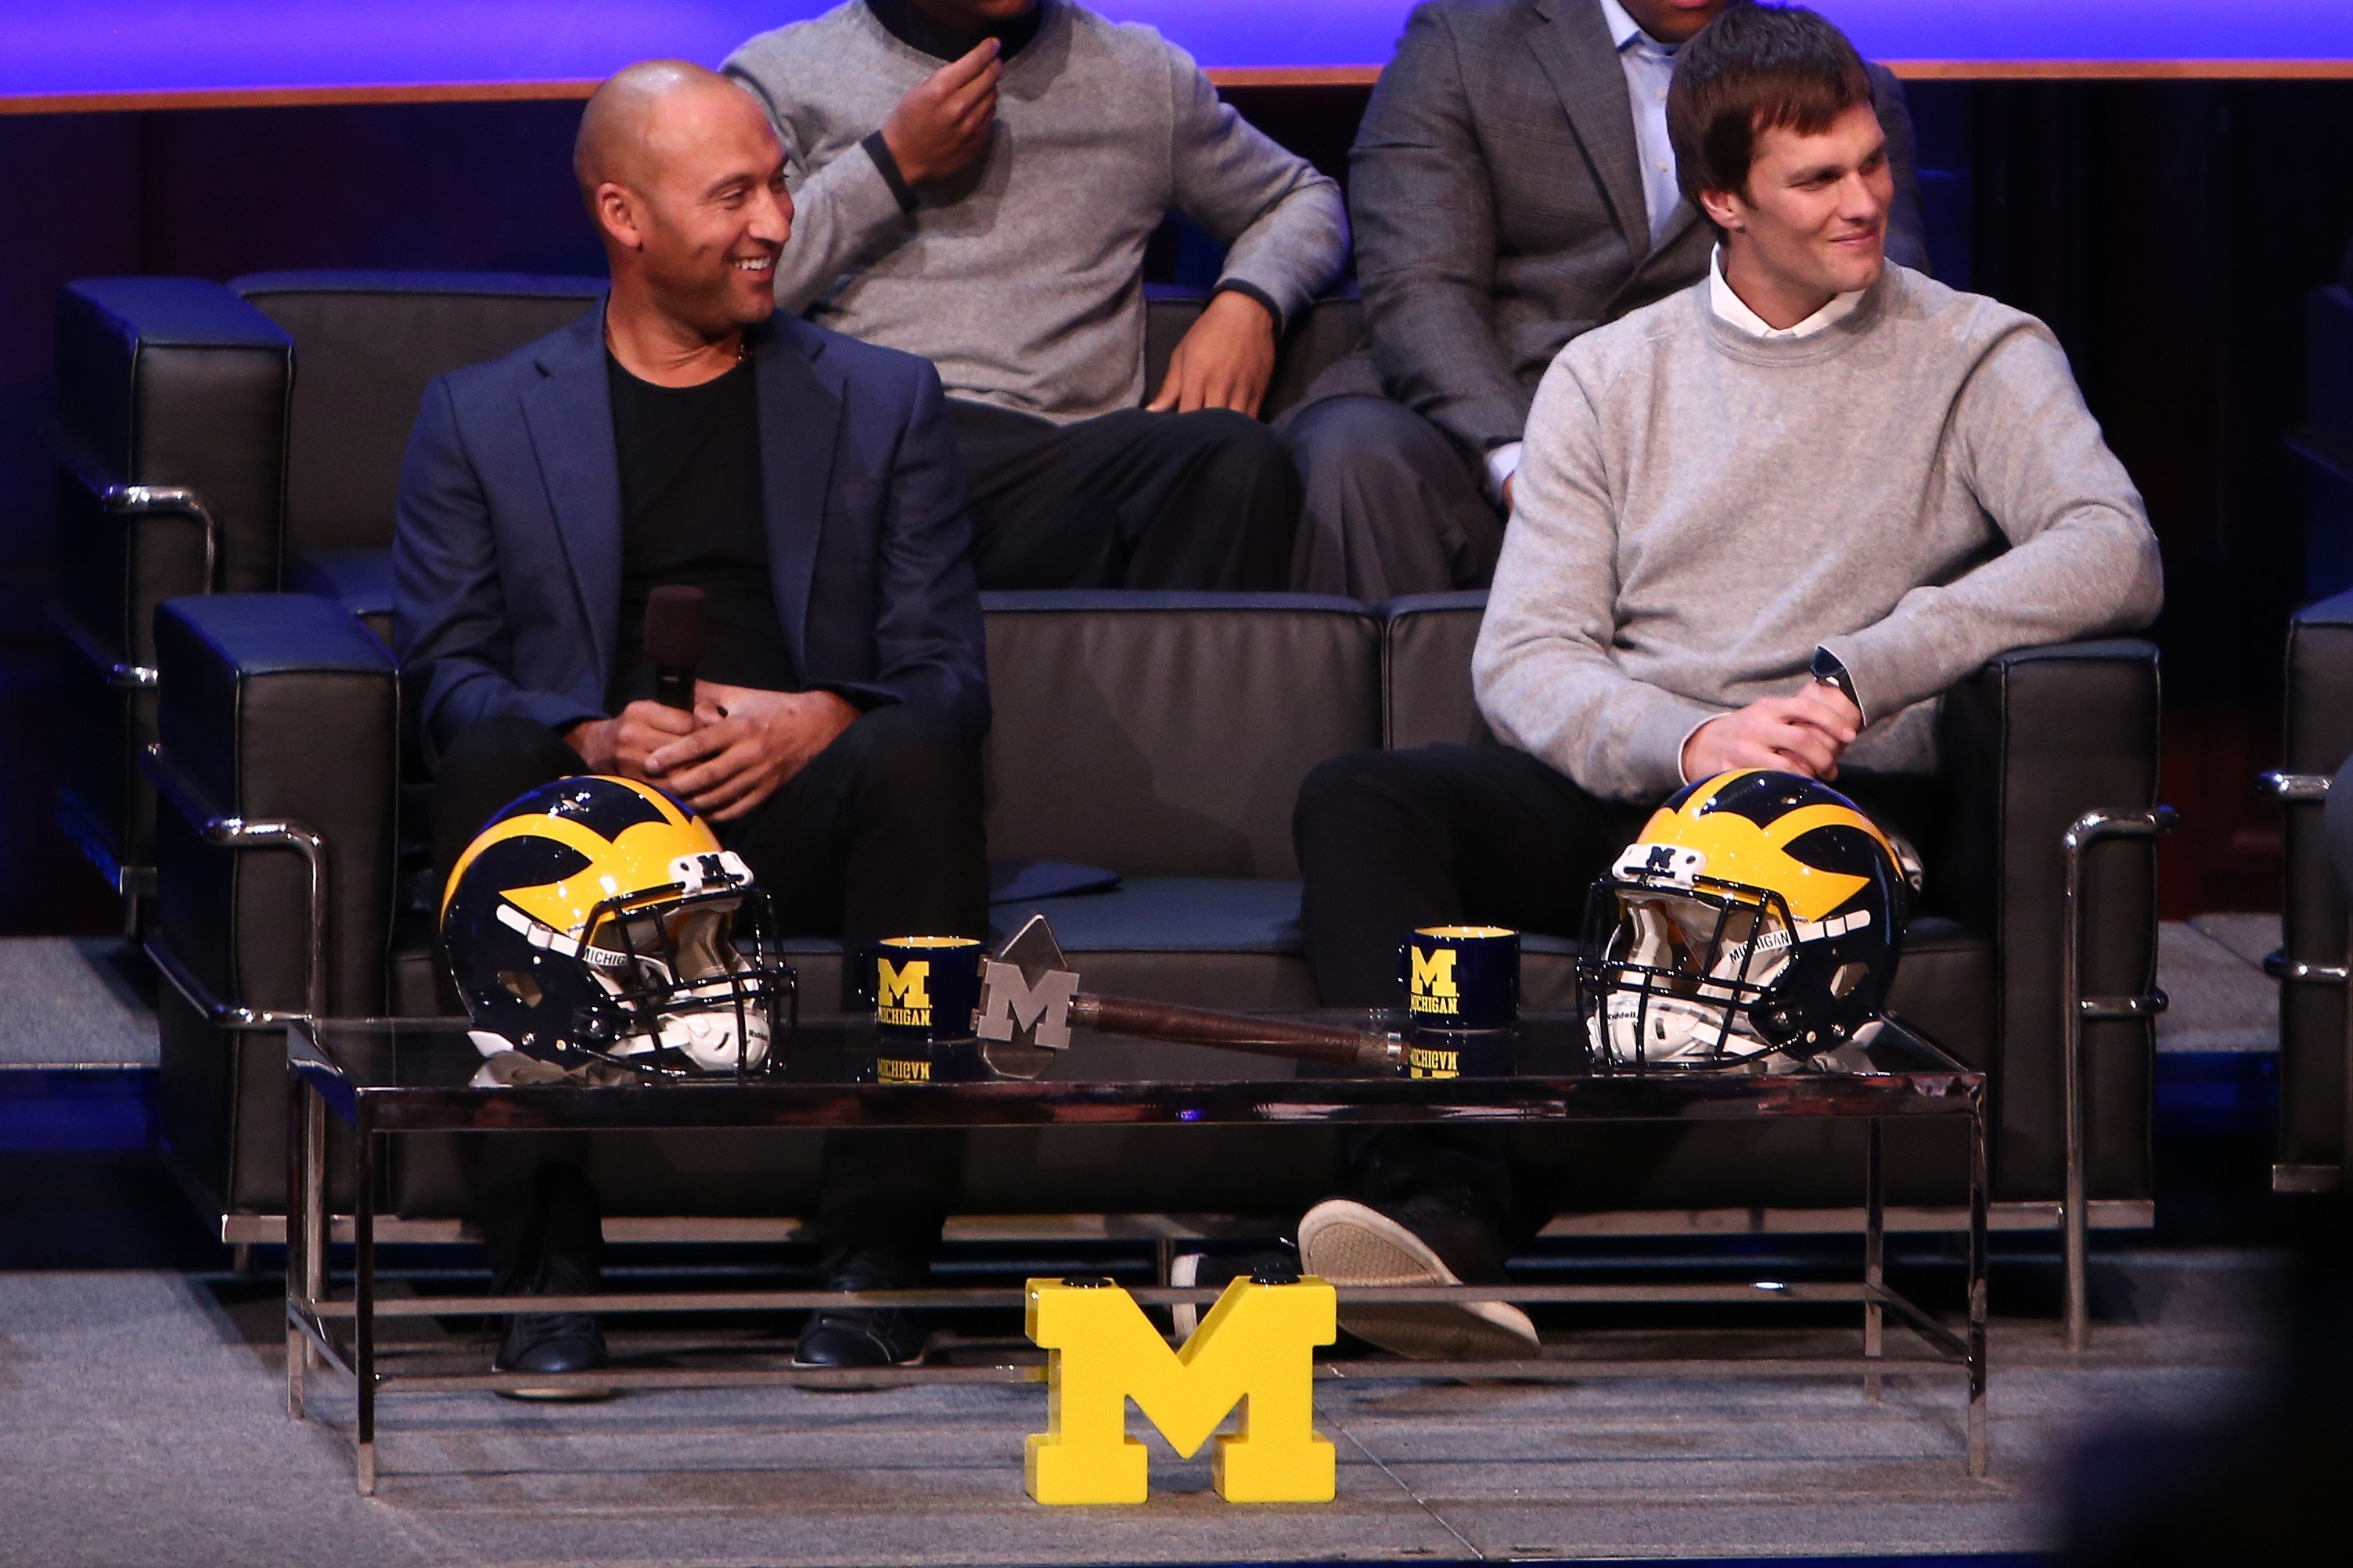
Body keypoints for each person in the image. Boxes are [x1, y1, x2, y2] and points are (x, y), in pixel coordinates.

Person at [1286, 2, 2164, 1358]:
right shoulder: (1606, 377)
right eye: (1818, 179)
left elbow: (2112, 547)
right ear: (1720, 200)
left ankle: (1436, 1216)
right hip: (1664, 778)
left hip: (1834, 800)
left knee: (1711, 896)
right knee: (1365, 796)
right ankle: (1425, 1187)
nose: (1864, 201)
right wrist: (1691, 738)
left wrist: (1865, 672)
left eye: (1873, 163)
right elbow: (1524, 656)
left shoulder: (1977, 350)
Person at [394, 61, 989, 1378]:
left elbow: (946, 669)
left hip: (804, 813)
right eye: (735, 193)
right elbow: (446, 671)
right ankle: (543, 1267)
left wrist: (821, 715)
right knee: (496, 758)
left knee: (920, 753)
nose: (776, 219)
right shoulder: (482, 418)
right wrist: (590, 739)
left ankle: (875, 1256)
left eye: (778, 180)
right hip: (594, 827)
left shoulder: (883, 402)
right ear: (624, 215)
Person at [1280, 0, 1927, 602]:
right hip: (1489, 409)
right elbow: (1418, 284)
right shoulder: (1462, 43)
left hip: (1708, 428)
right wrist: (1519, 463)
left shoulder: (1834, 85)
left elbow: (1874, 298)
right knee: (1357, 455)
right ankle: (1398, 727)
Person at [722, 0, 1348, 592]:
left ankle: (1160, 706)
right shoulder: (782, 79)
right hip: (870, 451)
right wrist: (891, 165)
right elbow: (721, 287)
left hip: (1062, 465)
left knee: (1233, 462)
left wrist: (1248, 303)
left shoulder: (1136, 75)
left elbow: (1301, 198)